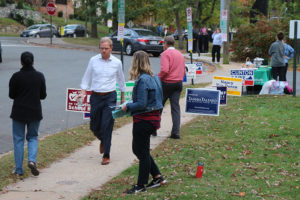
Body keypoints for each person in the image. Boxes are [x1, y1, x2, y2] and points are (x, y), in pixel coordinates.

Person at [122, 51, 166, 194]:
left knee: (142, 151)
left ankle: (141, 185)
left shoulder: (142, 80)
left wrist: (127, 106)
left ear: (136, 63)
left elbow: (141, 103)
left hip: (144, 119)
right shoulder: (155, 77)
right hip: (153, 118)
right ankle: (158, 177)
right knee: (139, 149)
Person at [77, 37, 126, 165]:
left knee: (107, 125)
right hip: (96, 96)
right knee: (94, 126)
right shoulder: (93, 61)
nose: (103, 51)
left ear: (111, 48)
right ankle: (103, 139)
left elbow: (121, 81)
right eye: (101, 48)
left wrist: (122, 99)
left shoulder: (117, 62)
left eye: (106, 48)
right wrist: (82, 93)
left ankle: (106, 155)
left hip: (110, 96)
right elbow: (86, 79)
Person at [9, 51, 47, 176]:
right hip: (35, 112)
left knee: (18, 139)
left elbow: (11, 95)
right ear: (33, 61)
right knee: (33, 137)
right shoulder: (39, 76)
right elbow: (43, 96)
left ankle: (18, 169)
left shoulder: (16, 76)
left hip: (19, 112)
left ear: (21, 62)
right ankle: (31, 160)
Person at [159, 36, 185, 139]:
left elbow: (165, 70)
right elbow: (183, 70)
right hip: (178, 83)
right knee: (175, 108)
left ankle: (153, 128)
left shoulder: (165, 54)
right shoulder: (180, 54)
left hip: (167, 83)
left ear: (165, 44)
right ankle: (175, 132)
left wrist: (158, 77)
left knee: (159, 105)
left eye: (163, 44)